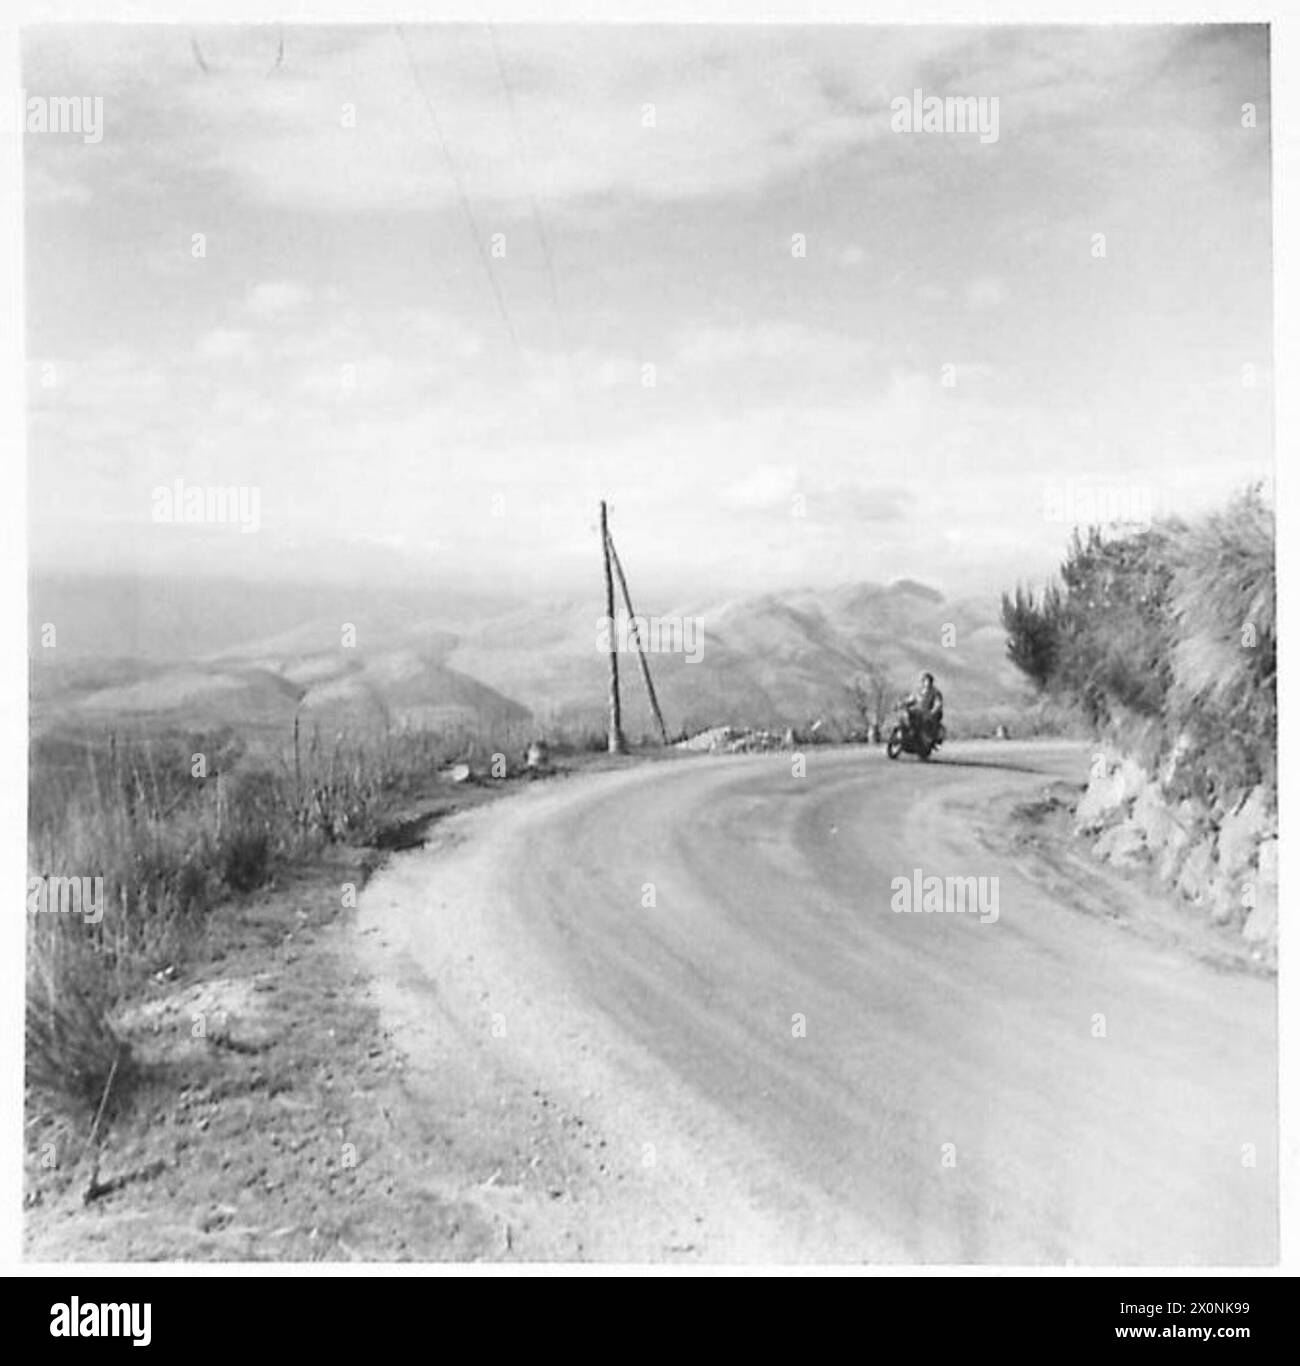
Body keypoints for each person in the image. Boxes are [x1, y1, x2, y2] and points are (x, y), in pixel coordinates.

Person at [906, 671, 944, 746]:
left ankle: (927, 740)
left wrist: (933, 711)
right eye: (923, 680)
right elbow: (912, 698)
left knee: (925, 724)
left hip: (929, 713)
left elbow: (938, 703)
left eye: (926, 680)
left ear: (930, 681)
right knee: (909, 716)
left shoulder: (935, 692)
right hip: (918, 711)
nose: (925, 682)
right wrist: (904, 703)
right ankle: (909, 733)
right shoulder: (919, 690)